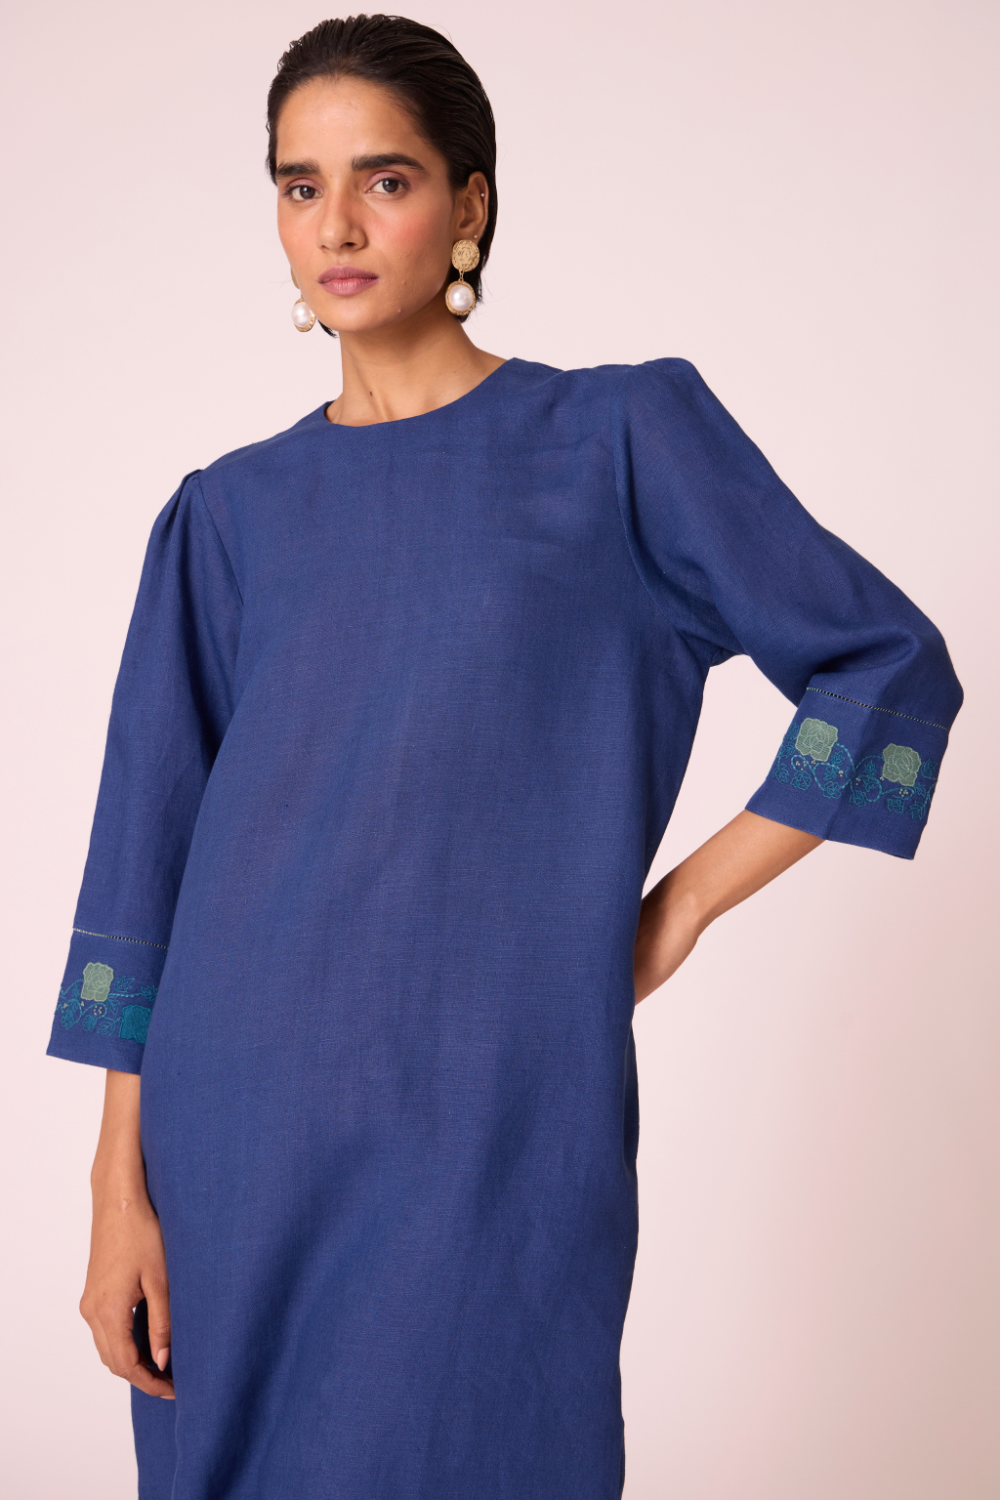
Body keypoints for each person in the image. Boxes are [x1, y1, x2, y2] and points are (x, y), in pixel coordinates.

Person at [47, 14, 963, 1500]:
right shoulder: (227, 514)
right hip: (233, 1130)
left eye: (385, 179)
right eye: (299, 186)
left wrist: (675, 910)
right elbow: (144, 864)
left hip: (491, 1111)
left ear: (469, 200)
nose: (336, 226)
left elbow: (886, 667)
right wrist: (115, 1189)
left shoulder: (617, 438)